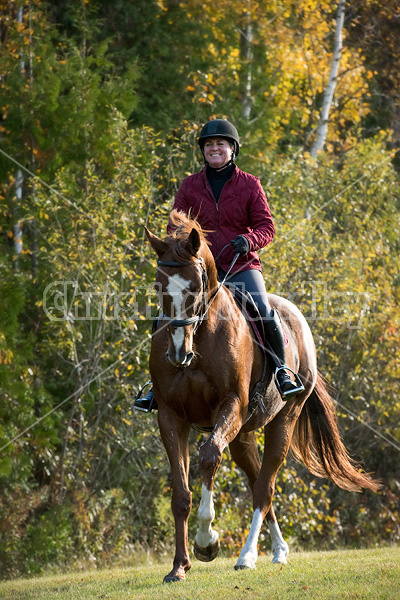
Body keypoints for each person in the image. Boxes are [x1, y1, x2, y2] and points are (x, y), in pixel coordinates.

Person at [134, 118, 304, 412]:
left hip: (241, 265)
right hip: (197, 268)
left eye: (220, 145)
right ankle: (155, 387)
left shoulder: (250, 184)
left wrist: (248, 240)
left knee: (262, 309)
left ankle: (281, 371)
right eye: (209, 145)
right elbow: (175, 225)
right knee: (165, 312)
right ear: (203, 151)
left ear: (232, 150)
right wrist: (182, 247)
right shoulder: (189, 185)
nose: (214, 149)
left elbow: (267, 227)